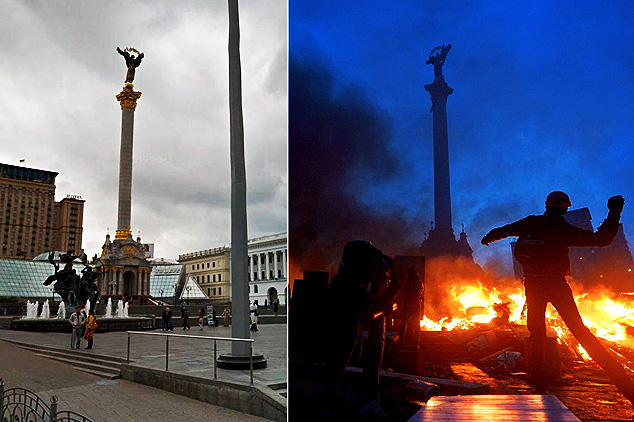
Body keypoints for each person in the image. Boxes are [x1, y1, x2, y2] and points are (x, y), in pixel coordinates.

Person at [481, 191, 634, 401]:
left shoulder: (532, 223)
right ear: (565, 208)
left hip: (533, 284)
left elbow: (506, 230)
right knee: (580, 331)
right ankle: (622, 381)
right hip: (556, 284)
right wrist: (614, 213)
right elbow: (601, 240)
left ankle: (539, 385)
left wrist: (489, 237)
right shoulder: (562, 229)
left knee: (536, 335)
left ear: (547, 206)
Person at [320, 241, 407, 404]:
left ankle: (369, 389)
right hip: (354, 303)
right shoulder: (342, 279)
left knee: (376, 342)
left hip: (378, 303)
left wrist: (389, 299)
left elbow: (402, 276)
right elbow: (335, 304)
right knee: (347, 339)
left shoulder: (384, 264)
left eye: (364, 283)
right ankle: (329, 384)